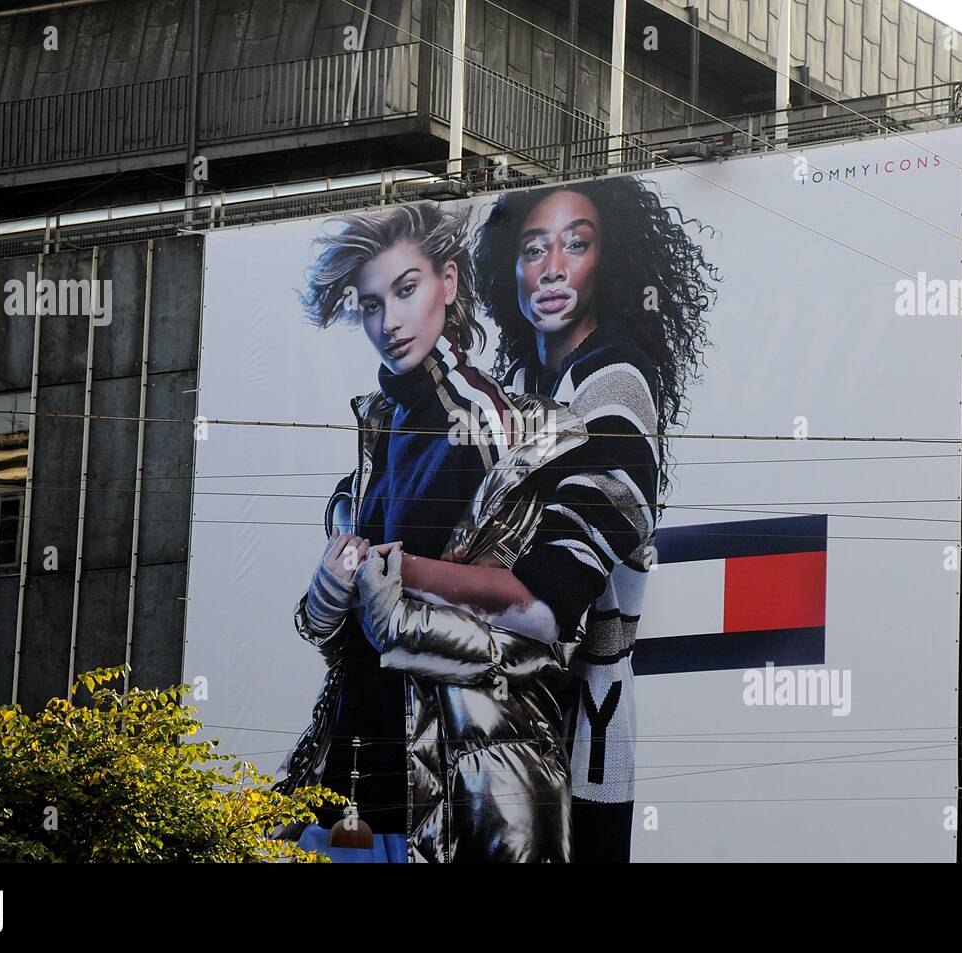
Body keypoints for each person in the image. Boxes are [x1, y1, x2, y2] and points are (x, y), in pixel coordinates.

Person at [393, 177, 719, 861]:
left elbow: (546, 602)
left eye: (578, 243)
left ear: (615, 259)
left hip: (576, 744)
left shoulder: (614, 388)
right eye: (534, 248)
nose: (553, 266)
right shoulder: (539, 396)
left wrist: (398, 573)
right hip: (519, 734)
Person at [276, 202, 591, 862]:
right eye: (368, 304)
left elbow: (529, 636)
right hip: (346, 791)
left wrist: (399, 602)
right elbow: (339, 628)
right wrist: (333, 588)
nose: (387, 321)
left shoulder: (487, 428)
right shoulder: (383, 422)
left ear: (448, 284)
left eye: (406, 289)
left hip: (445, 800)